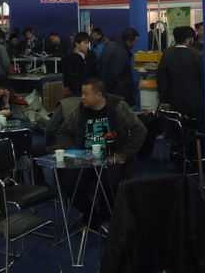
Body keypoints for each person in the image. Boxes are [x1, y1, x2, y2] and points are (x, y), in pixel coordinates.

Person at [56, 78, 147, 227]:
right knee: (69, 184)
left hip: (112, 158)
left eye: (86, 94)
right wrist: (76, 152)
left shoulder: (118, 107)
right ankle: (92, 216)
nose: (82, 97)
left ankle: (108, 219)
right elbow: (63, 133)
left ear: (98, 95)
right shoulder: (81, 110)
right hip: (86, 159)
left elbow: (140, 130)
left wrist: (124, 154)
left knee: (109, 183)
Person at [157, 26, 205, 123]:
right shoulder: (196, 54)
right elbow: (202, 78)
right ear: (189, 39)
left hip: (173, 102)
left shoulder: (167, 54)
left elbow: (161, 79)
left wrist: (163, 98)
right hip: (194, 102)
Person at [98, 28, 139, 105]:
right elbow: (117, 75)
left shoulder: (111, 45)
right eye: (135, 42)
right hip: (118, 95)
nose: (135, 44)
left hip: (108, 91)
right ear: (129, 41)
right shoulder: (121, 52)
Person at [62, 32, 94, 97]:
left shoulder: (91, 55)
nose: (87, 46)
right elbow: (67, 75)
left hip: (90, 90)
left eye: (88, 43)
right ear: (77, 44)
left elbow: (94, 73)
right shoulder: (68, 58)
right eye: (85, 43)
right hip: (75, 92)